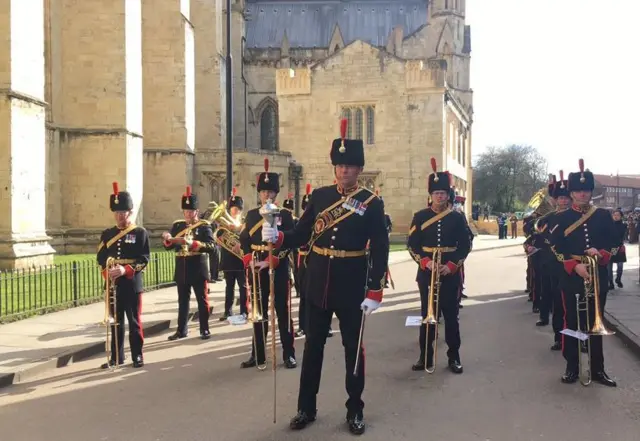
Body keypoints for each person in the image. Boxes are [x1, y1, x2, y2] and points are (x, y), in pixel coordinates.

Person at [262, 119, 389, 435]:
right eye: (340, 165)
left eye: (350, 166)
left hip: (351, 282)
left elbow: (382, 248)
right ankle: (306, 407)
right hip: (317, 282)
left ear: (359, 169)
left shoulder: (372, 204)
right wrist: (278, 237)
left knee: (352, 350)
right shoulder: (319, 197)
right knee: (313, 348)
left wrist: (374, 288)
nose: (344, 171)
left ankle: (355, 409)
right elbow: (301, 234)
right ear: (335, 168)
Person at [549, 159, 617, 386]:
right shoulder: (561, 218)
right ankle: (572, 367)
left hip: (598, 274)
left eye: (586, 190)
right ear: (571, 192)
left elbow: (616, 243)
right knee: (571, 322)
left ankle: (598, 370)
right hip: (572, 275)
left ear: (591, 192)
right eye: (577, 190)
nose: (582, 194)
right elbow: (555, 248)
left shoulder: (603, 216)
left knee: (595, 323)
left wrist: (602, 254)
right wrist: (572, 265)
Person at [407, 159, 471, 374]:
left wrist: (452, 266)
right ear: (430, 195)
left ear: (448, 194)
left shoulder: (457, 217)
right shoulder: (420, 217)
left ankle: (454, 357)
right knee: (427, 315)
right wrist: (425, 262)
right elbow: (412, 245)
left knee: (451, 317)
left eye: (443, 193)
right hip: (427, 273)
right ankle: (425, 356)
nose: (440, 196)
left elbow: (465, 245)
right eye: (436, 193)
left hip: (450, 273)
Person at [239, 158, 297, 369]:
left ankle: (288, 354)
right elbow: (245, 239)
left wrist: (272, 260)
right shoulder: (252, 215)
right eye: (263, 192)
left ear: (275, 193)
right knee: (258, 312)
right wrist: (248, 259)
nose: (266, 195)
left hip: (278, 267)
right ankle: (258, 353)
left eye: (270, 192)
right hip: (257, 269)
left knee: (283, 312)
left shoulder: (285, 215)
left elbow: (290, 240)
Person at [97, 182, 150, 369]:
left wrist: (125, 270)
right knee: (115, 323)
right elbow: (101, 258)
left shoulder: (139, 233)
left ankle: (137, 355)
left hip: (131, 283)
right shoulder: (108, 234)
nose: (120, 216)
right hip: (114, 285)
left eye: (123, 212)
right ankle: (117, 356)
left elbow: (144, 259)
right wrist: (108, 274)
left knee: (134, 321)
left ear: (130, 212)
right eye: (117, 213)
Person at [163, 186, 217, 341]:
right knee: (183, 301)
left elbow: (212, 247)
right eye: (185, 211)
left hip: (198, 267)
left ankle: (204, 329)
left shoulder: (204, 226)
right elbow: (170, 246)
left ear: (197, 212)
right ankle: (181, 329)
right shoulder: (178, 225)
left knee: (202, 299)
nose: (187, 214)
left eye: (190, 211)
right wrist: (168, 239)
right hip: (182, 267)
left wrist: (194, 244)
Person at [218, 188, 247, 320]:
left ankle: (243, 311)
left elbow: (248, 238)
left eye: (237, 209)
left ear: (240, 210)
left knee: (243, 287)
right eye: (232, 209)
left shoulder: (245, 223)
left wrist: (239, 242)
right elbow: (218, 238)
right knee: (229, 287)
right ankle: (227, 311)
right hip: (228, 259)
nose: (234, 211)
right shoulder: (224, 224)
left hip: (241, 260)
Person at [608, 208, 626, 290]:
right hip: (611, 247)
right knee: (609, 266)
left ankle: (618, 279)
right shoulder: (609, 225)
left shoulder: (623, 225)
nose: (616, 217)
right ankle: (610, 282)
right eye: (614, 215)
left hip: (619, 247)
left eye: (618, 215)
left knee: (620, 266)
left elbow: (622, 236)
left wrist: (620, 245)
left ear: (621, 216)